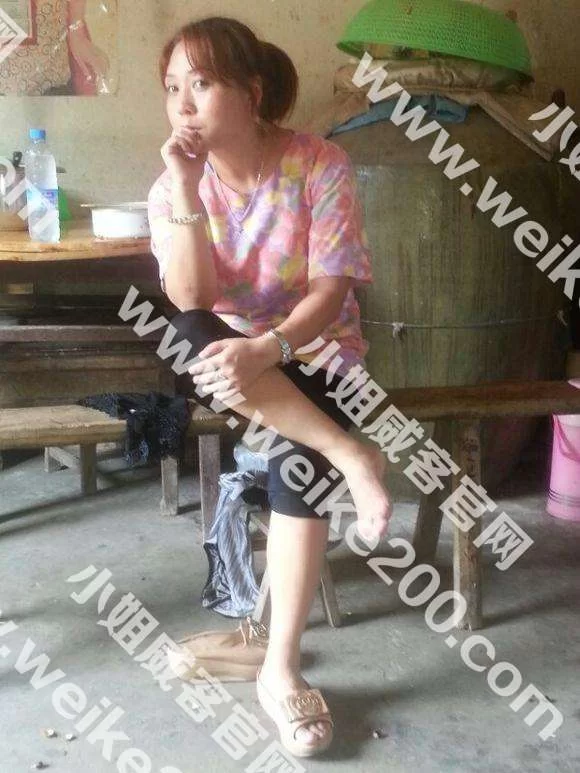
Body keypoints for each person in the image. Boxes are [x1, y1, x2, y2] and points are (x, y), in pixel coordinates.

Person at [148, 16, 393, 758]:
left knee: (295, 453)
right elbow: (191, 298)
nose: (183, 103)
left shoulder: (319, 162)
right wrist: (186, 187)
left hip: (317, 353)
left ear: (252, 92)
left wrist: (271, 347)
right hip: (226, 364)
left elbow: (331, 288)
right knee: (189, 329)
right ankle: (350, 453)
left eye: (201, 83)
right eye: (172, 87)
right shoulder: (170, 187)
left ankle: (279, 668)